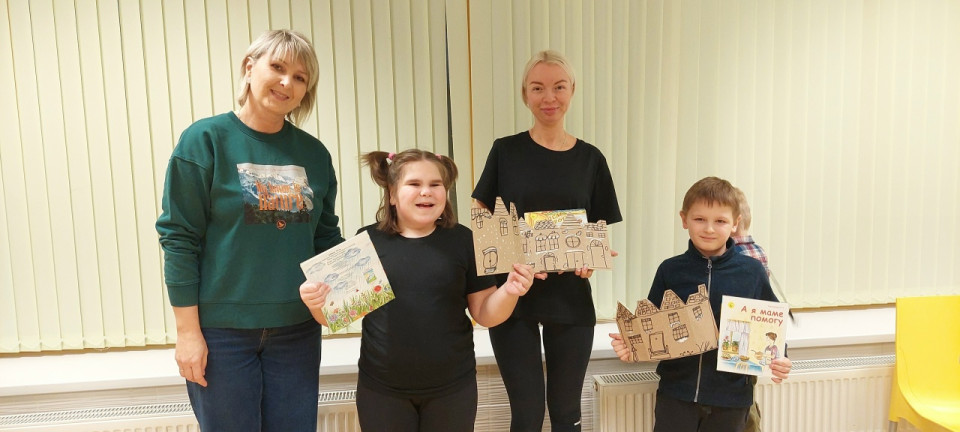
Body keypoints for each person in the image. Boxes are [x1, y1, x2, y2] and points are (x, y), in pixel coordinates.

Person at [156, 29, 343, 432]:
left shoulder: (314, 154)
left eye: (299, 77)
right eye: (277, 67)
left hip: (297, 331)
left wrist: (353, 292)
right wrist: (187, 334)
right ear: (249, 67)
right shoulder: (204, 141)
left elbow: (325, 238)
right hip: (221, 334)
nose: (286, 83)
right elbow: (179, 239)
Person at [300, 149, 540, 432]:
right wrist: (316, 303)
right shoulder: (369, 241)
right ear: (392, 194)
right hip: (382, 390)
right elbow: (335, 317)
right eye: (414, 184)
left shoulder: (463, 240)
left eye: (435, 184)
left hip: (453, 388)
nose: (426, 191)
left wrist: (510, 290)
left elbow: (485, 314)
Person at [471, 50, 623, 431]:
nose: (549, 97)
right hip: (512, 297)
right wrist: (509, 257)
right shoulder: (505, 151)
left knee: (566, 412)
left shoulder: (591, 159)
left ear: (572, 90)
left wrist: (591, 258)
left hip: (571, 299)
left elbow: (598, 228)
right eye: (538, 88)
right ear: (525, 94)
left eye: (559, 87)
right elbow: (480, 213)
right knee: (526, 414)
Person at [609, 176, 792, 432]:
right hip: (676, 395)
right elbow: (651, 326)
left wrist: (780, 357)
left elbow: (770, 325)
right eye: (699, 219)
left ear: (735, 223)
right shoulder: (670, 270)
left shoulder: (752, 272)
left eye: (720, 221)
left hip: (731, 399)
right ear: (684, 219)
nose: (709, 229)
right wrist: (631, 345)